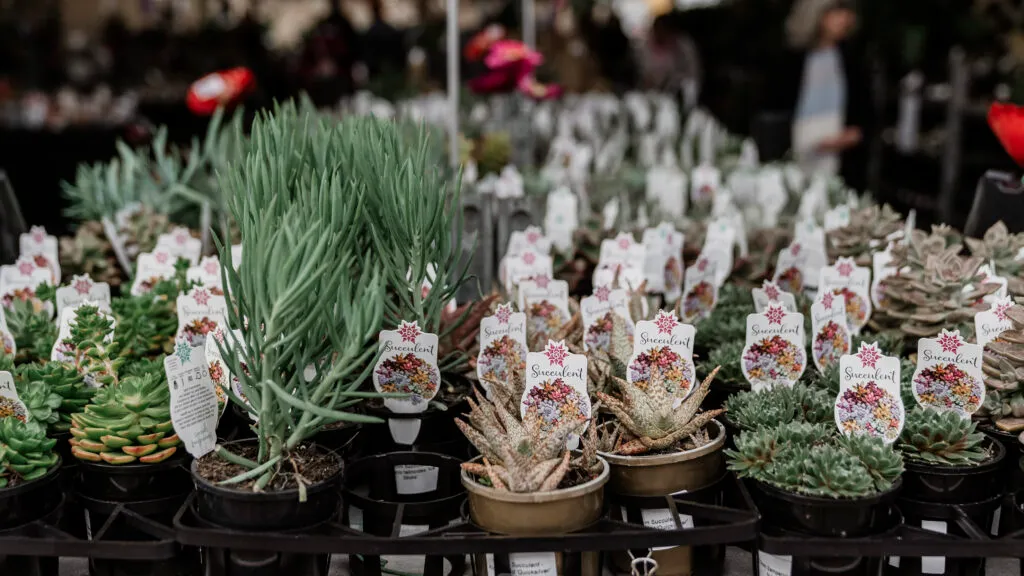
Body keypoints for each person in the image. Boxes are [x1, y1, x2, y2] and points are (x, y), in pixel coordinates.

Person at [775, 0, 869, 184]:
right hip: (797, 153)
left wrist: (852, 136)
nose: (844, 19)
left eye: (846, 12)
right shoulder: (793, 61)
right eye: (836, 12)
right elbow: (778, 108)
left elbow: (865, 117)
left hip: (838, 158)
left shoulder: (853, 61)